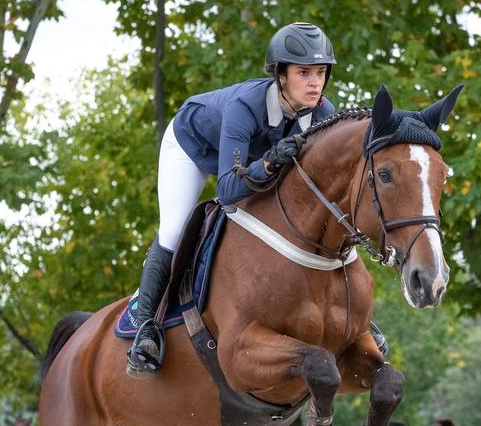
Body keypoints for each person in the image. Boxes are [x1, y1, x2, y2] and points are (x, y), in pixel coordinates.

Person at [126, 22, 338, 376]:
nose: (315, 82)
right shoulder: (246, 106)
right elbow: (226, 190)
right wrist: (270, 162)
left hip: (243, 161)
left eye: (320, 72)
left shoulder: (322, 114)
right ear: (281, 76)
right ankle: (145, 327)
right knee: (176, 229)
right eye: (304, 73)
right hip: (192, 146)